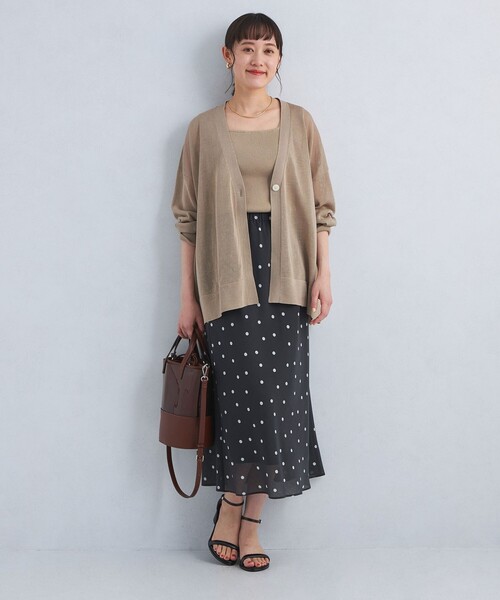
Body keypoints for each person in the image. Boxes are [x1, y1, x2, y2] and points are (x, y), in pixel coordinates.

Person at [171, 13, 337, 572]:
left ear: (279, 59)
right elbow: (188, 219)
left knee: (278, 400)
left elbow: (322, 206)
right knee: (237, 396)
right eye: (247, 49)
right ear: (228, 57)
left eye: (268, 50)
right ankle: (229, 505)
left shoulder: (300, 122)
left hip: (288, 273)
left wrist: (323, 274)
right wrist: (188, 297)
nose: (258, 59)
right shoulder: (202, 129)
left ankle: (252, 522)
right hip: (225, 275)